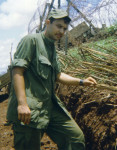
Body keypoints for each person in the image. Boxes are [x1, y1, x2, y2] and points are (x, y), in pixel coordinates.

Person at [7, 9, 97, 150]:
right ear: (48, 23)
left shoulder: (52, 48)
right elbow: (17, 71)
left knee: (74, 138)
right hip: (30, 110)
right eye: (59, 26)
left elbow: (58, 75)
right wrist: (22, 104)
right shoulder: (31, 40)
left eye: (65, 28)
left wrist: (81, 81)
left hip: (49, 105)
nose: (61, 31)